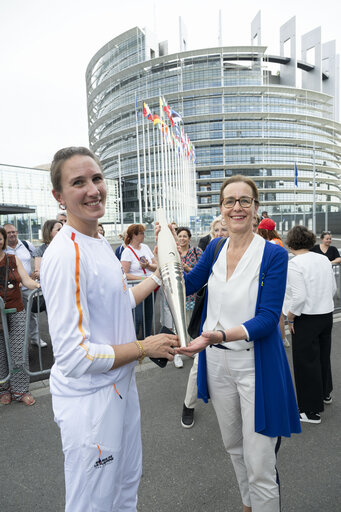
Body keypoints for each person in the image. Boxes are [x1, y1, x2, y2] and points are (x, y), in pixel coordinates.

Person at [40, 146, 178, 512]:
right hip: (91, 402)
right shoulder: (65, 253)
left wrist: (159, 276)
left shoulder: (99, 241)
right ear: (59, 196)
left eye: (97, 179)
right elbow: (74, 355)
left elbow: (116, 304)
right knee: (95, 504)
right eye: (78, 183)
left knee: (125, 491)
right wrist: (145, 347)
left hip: (119, 387)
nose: (92, 190)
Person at [176, 174, 301, 512]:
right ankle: (250, 505)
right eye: (229, 201)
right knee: (233, 445)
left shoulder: (272, 255)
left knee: (259, 457)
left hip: (253, 361)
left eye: (245, 200)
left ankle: (263, 504)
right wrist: (166, 257)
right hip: (216, 362)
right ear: (221, 208)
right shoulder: (216, 247)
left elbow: (267, 318)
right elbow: (186, 286)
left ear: (256, 208)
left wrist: (218, 335)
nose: (237, 207)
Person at [283, 226, 336, 424]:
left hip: (305, 317)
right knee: (322, 356)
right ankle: (325, 393)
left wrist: (290, 318)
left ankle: (309, 411)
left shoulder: (294, 264)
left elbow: (299, 297)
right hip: (326, 314)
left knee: (306, 362)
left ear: (290, 243)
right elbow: (333, 288)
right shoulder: (322, 259)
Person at [181, 223, 224, 426]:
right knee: (198, 367)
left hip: (241, 332)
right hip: (211, 327)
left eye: (224, 230)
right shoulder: (212, 253)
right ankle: (188, 406)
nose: (220, 234)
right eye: (217, 231)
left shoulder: (257, 254)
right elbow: (189, 283)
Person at [0, 227, 40, 406]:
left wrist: (37, 285)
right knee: (0, 353)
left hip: (16, 310)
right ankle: (4, 390)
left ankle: (20, 391)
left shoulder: (12, 259)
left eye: (0, 238)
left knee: (19, 351)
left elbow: (26, 280)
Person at [4, 224, 47, 348]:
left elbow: (39, 256)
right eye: (8, 233)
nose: (12, 234)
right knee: (13, 317)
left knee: (31, 315)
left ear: (17, 232)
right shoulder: (2, 249)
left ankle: (35, 339)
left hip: (28, 288)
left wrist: (37, 271)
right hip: (11, 290)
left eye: (13, 231)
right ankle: (17, 345)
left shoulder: (26, 244)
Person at [257, 218, 289, 348]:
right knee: (277, 312)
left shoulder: (272, 243)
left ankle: (281, 339)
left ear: (264, 230)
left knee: (276, 313)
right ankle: (282, 339)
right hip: (277, 280)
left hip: (271, 281)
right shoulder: (278, 241)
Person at [121, 224, 157, 339]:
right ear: (134, 235)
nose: (144, 235)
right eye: (141, 233)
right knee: (137, 317)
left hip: (150, 287)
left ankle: (148, 340)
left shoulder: (145, 247)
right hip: (137, 288)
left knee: (148, 315)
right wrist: (143, 279)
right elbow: (124, 274)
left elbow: (155, 265)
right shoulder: (127, 251)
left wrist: (148, 266)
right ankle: (134, 341)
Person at [174, 227, 203, 369]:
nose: (182, 238)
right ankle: (177, 354)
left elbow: (200, 274)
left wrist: (186, 268)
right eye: (180, 236)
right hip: (178, 296)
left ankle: (193, 350)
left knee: (193, 325)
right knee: (178, 327)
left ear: (189, 238)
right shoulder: (174, 253)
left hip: (193, 296)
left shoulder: (196, 252)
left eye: (185, 236)